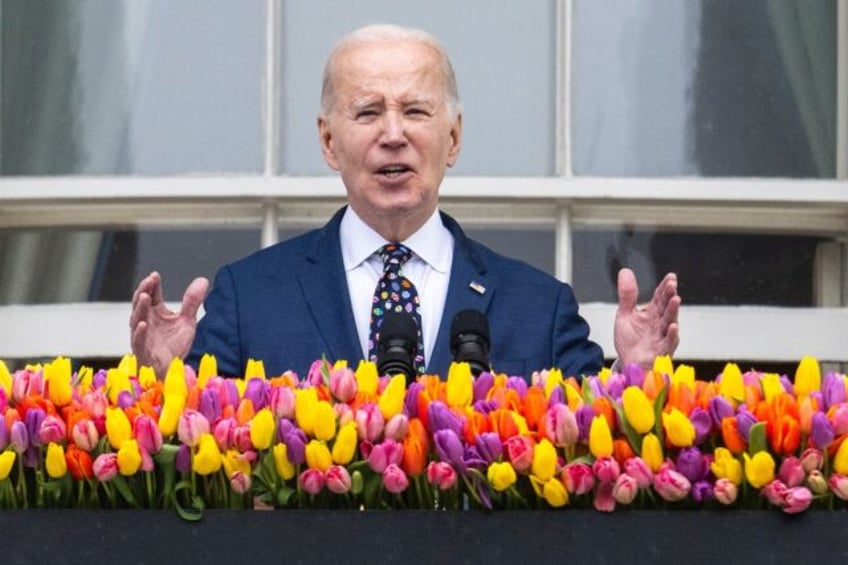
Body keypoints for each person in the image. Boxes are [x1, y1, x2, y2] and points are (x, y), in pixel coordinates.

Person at [130, 24, 680, 380]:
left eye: (416, 111)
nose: (393, 133)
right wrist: (164, 385)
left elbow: (594, 476)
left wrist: (638, 379)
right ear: (328, 141)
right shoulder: (249, 298)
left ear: (454, 138)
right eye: (368, 112)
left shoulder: (540, 308)